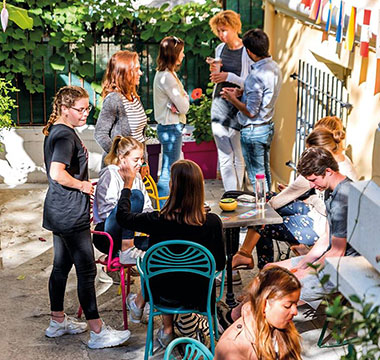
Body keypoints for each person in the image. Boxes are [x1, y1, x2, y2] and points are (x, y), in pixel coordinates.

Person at [42, 86, 131, 349]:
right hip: (69, 213)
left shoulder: (58, 132)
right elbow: (57, 173)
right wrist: (82, 186)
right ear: (64, 109)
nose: (85, 114)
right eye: (80, 109)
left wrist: (81, 181)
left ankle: (57, 321)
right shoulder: (64, 136)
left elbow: (62, 173)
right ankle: (97, 331)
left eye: (87, 108)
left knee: (61, 266)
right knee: (86, 269)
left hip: (59, 209)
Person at [115, 159, 226, 348]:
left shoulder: (156, 220)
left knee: (151, 262)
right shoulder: (213, 222)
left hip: (161, 294)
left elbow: (122, 217)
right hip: (198, 296)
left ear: (172, 186)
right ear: (200, 188)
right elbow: (220, 264)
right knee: (174, 269)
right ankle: (166, 326)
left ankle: (162, 326)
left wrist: (127, 185)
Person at [232, 117, 358, 270]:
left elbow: (330, 214)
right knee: (268, 210)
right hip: (318, 217)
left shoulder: (323, 171)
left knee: (265, 220)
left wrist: (305, 200)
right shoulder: (338, 166)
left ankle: (256, 263)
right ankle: (250, 256)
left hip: (318, 222)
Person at [272, 147, 358, 309]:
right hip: (329, 258)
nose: (311, 185)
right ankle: (236, 316)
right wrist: (304, 263)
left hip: (342, 266)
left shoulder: (343, 198)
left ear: (328, 170)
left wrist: (307, 272)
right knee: (269, 270)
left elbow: (338, 252)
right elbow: (326, 237)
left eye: (313, 180)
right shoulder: (329, 190)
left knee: (276, 294)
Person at [222, 28, 282, 192]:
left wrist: (232, 99)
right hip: (267, 126)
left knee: (257, 176)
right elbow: (264, 94)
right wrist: (242, 93)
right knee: (265, 171)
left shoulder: (256, 76)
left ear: (249, 51)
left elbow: (251, 111)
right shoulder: (274, 67)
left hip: (254, 130)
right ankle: (269, 203)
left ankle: (262, 210)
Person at [214, 266, 302, 360]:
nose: (295, 311)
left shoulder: (279, 323)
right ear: (264, 304)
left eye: (296, 304)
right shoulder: (233, 347)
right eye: (287, 306)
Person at [208, 10, 253, 191]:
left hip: (237, 108)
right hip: (219, 106)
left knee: (238, 155)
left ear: (235, 27)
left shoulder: (247, 52)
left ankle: (238, 192)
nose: (221, 35)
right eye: (218, 31)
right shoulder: (220, 49)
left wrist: (229, 76)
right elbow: (216, 77)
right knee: (224, 155)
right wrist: (215, 71)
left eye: (224, 30)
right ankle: (230, 194)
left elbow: (249, 83)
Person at [92, 136, 154, 264]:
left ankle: (126, 252)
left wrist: (149, 225)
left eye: (141, 159)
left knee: (159, 244)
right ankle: (126, 250)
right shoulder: (110, 173)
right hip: (107, 234)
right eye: (136, 159)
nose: (140, 163)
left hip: (129, 232)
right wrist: (128, 184)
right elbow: (106, 212)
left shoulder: (137, 176)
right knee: (136, 195)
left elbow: (147, 207)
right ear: (121, 157)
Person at [95, 50, 149, 175]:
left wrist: (144, 161)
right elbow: (100, 133)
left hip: (135, 167)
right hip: (119, 170)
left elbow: (140, 136)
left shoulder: (133, 97)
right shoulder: (114, 99)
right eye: (136, 70)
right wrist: (120, 158)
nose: (140, 73)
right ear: (124, 72)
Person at [153, 36, 189, 204]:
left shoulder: (166, 74)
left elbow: (181, 103)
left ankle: (168, 206)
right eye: (181, 51)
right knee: (169, 170)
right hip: (171, 127)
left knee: (170, 168)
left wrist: (182, 99)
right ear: (174, 54)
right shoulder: (167, 77)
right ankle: (164, 208)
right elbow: (184, 107)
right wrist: (183, 98)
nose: (183, 55)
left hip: (170, 127)